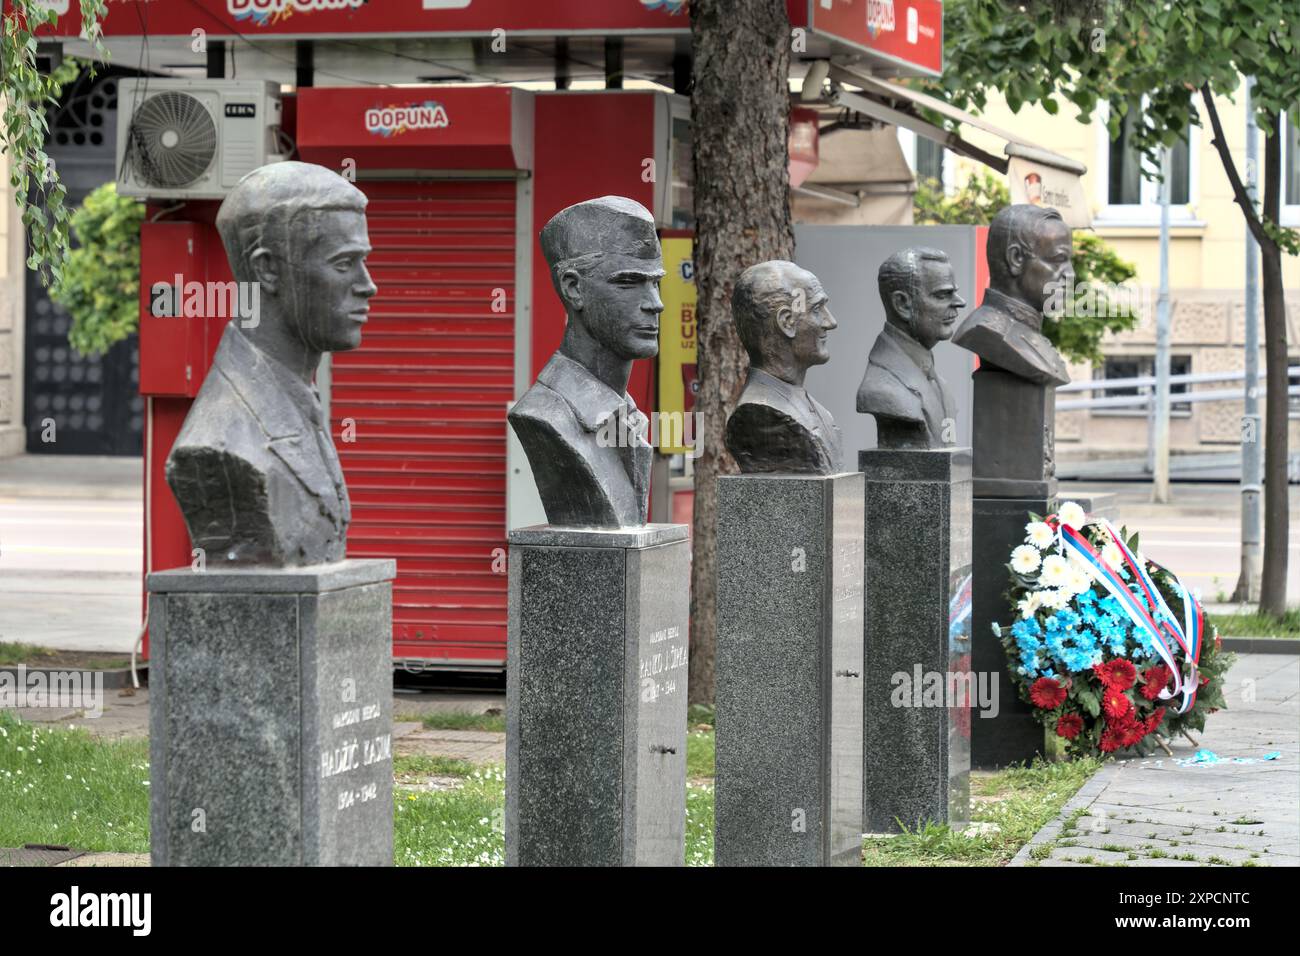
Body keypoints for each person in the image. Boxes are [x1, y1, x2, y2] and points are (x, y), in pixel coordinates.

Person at [166, 161, 376, 566]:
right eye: (344, 263)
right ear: (267, 269)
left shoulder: (296, 398)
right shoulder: (220, 441)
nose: (368, 285)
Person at [508, 196, 665, 527]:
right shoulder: (545, 416)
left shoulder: (629, 415)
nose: (655, 304)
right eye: (629, 282)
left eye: (655, 283)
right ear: (573, 289)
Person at [724, 260, 842, 475]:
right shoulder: (758, 415)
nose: (830, 321)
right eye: (817, 309)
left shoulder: (818, 411)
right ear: (787, 322)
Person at [858, 247, 967, 449]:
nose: (960, 303)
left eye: (954, 293)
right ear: (903, 304)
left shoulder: (938, 382)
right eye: (943, 295)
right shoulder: (882, 389)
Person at [953, 204, 1071, 387]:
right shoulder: (986, 331)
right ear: (1015, 258)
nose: (1070, 274)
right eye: (1058, 260)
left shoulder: (1029, 331)